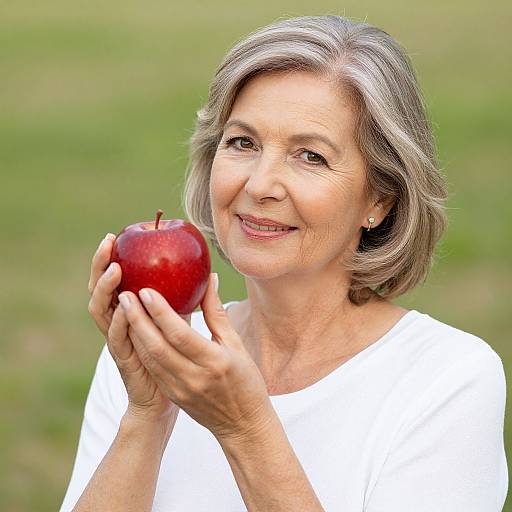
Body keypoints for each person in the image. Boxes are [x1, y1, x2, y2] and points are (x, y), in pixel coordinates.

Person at [60, 15, 508, 512]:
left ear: (379, 198)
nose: (259, 185)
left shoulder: (446, 379)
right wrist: (149, 413)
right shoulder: (155, 355)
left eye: (310, 156)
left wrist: (245, 429)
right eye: (242, 143)